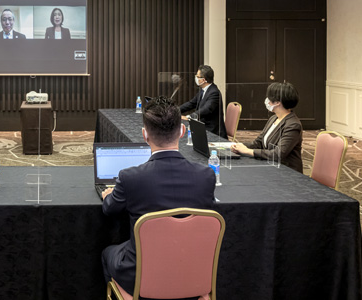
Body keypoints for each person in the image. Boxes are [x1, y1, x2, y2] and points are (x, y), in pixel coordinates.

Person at [101, 96, 216, 297]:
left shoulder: (130, 177)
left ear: (144, 135)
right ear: (182, 131)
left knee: (107, 253)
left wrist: (108, 195)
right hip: (192, 274)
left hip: (141, 276)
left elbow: (110, 209)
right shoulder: (206, 176)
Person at [231, 82, 303, 173]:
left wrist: (248, 151)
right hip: (271, 166)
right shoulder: (274, 118)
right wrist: (239, 146)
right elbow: (259, 143)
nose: (267, 100)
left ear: (278, 102)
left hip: (287, 172)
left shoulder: (293, 125)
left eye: (269, 97)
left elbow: (277, 154)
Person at [180, 65, 227, 139]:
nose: (196, 78)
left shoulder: (214, 93)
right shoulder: (203, 90)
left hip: (212, 132)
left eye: (197, 77)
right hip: (202, 127)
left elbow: (206, 109)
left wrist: (189, 117)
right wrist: (175, 111)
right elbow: (191, 103)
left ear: (204, 80)